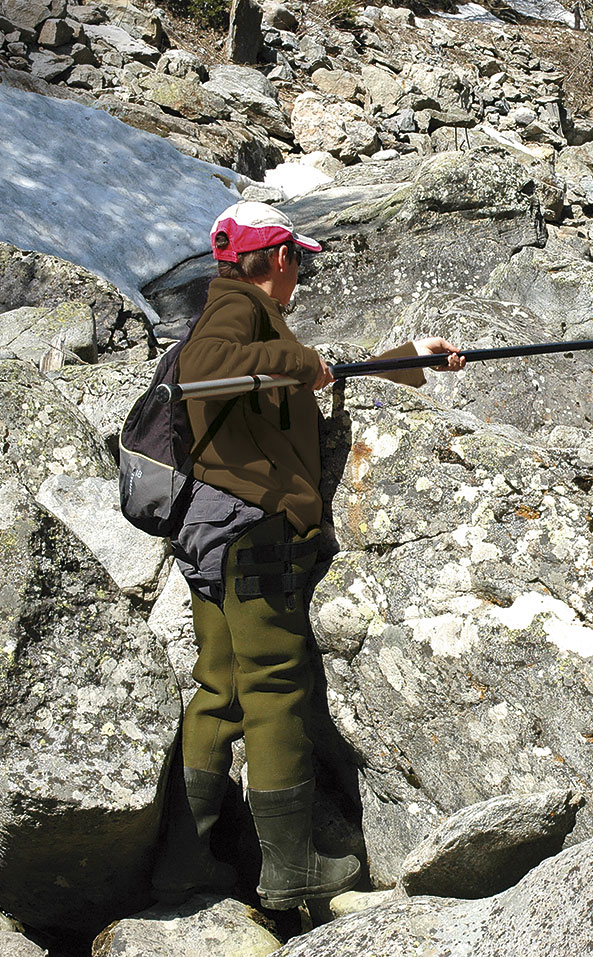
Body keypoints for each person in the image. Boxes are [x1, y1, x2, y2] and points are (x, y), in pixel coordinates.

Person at [150, 201, 465, 910]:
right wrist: (298, 360)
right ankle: (290, 869)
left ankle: (182, 865)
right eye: (299, 260)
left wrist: (413, 357)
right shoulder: (237, 310)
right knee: (274, 686)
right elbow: (207, 367)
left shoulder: (236, 313)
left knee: (220, 689)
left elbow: (298, 375)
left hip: (208, 531)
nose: (301, 275)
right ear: (279, 257)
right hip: (249, 532)